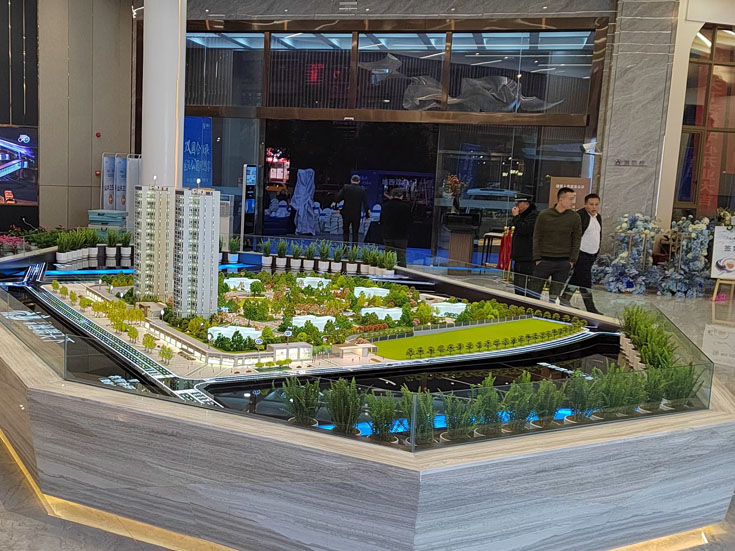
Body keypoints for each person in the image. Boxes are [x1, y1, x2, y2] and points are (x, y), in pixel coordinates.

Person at [530, 187, 582, 302]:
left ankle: (551, 312)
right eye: (570, 199)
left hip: (563, 262)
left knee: (554, 296)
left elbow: (576, 239)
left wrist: (572, 260)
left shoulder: (575, 217)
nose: (573, 202)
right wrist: (537, 258)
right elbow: (537, 236)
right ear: (561, 199)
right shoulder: (544, 215)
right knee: (534, 293)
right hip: (544, 260)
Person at [560, 193, 602, 314]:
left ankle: (564, 299)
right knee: (586, 281)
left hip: (591, 254)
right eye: (591, 204)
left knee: (577, 279)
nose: (594, 207)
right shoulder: (580, 216)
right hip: (581, 253)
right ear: (585, 204)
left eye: (596, 204)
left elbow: (598, 235)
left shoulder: (598, 217)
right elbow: (573, 236)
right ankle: (590, 308)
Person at [509, 194, 538, 296]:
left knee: (527, 287)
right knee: (518, 285)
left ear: (527, 203)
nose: (516, 205)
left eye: (519, 203)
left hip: (528, 256)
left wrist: (516, 217)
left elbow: (524, 229)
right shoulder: (521, 216)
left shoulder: (533, 215)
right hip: (519, 256)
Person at [380, 188, 412, 267]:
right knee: (401, 256)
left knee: (388, 255)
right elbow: (410, 221)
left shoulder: (385, 205)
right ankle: (402, 272)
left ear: (392, 195)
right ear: (402, 196)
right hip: (402, 236)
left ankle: (387, 271)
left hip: (388, 234)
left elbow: (381, 220)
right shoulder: (406, 207)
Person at [334, 175, 369, 245]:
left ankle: (345, 247)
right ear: (359, 181)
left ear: (351, 180)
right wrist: (367, 215)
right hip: (356, 214)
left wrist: (336, 208)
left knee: (346, 231)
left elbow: (337, 198)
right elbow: (365, 203)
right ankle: (354, 248)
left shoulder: (346, 187)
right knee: (355, 232)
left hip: (346, 213)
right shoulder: (362, 189)